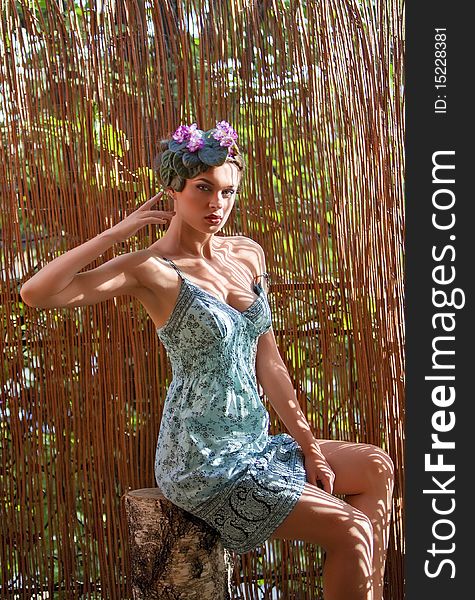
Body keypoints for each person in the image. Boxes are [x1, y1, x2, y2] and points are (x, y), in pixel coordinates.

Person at [20, 120, 394, 600]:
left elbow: (270, 361)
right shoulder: (152, 270)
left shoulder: (246, 254)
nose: (216, 204)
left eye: (227, 191)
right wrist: (119, 231)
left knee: (377, 467)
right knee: (353, 532)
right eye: (202, 189)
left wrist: (309, 445)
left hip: (253, 444)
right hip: (202, 460)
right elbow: (36, 293)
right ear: (172, 190)